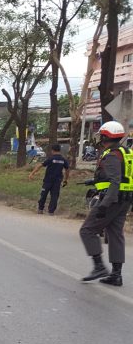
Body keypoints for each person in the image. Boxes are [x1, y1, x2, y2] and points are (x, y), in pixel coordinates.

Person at [79, 121, 133, 286]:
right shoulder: (126, 152)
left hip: (111, 200)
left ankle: (99, 267)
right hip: (125, 200)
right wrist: (94, 180)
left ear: (105, 137)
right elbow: (123, 177)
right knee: (115, 234)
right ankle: (116, 275)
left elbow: (115, 181)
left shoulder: (111, 155)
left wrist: (103, 205)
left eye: (101, 135)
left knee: (87, 230)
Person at [28, 143, 69, 215]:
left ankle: (40, 209)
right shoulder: (63, 160)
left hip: (48, 180)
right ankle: (51, 211)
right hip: (57, 181)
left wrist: (32, 173)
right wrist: (65, 180)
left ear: (52, 150)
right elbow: (67, 170)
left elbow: (40, 165)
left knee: (43, 194)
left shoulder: (51, 159)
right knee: (54, 196)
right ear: (59, 150)